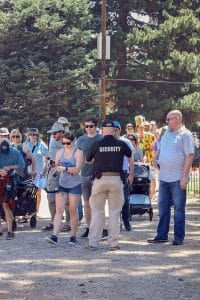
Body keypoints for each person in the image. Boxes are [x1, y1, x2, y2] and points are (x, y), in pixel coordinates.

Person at [148, 110, 195, 246]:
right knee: (162, 208)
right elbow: (160, 150)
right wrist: (155, 158)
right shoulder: (167, 134)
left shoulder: (185, 135)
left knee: (179, 209)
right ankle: (161, 235)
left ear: (177, 119)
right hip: (164, 178)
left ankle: (178, 237)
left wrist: (183, 177)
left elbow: (190, 156)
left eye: (168, 119)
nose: (166, 122)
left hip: (177, 179)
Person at [86, 119, 133, 251]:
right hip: (116, 180)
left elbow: (88, 160)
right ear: (113, 130)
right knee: (114, 213)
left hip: (100, 180)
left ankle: (93, 243)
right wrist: (131, 174)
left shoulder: (96, 144)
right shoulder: (121, 144)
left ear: (102, 130)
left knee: (97, 212)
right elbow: (130, 156)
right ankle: (113, 243)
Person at [45, 132, 84, 245]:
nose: (66, 145)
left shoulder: (78, 152)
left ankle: (73, 236)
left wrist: (64, 168)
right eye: (64, 143)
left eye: (68, 143)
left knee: (72, 210)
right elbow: (56, 167)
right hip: (61, 184)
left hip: (74, 185)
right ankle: (54, 236)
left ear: (73, 142)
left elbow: (77, 169)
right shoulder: (60, 152)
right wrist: (51, 165)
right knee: (59, 210)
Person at [76, 117, 103, 238]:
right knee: (86, 203)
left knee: (98, 203)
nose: (88, 128)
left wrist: (96, 160)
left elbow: (107, 156)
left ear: (96, 126)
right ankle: (89, 227)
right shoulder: (81, 140)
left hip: (99, 175)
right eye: (86, 126)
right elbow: (77, 155)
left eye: (91, 126)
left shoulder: (102, 139)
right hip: (85, 174)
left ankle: (102, 228)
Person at [0, 139, 25, 239]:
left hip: (10, 179)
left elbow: (22, 165)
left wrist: (10, 167)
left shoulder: (15, 151)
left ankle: (10, 231)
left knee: (6, 204)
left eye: (6, 150)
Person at [43, 123, 65, 231]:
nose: (53, 135)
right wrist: (44, 169)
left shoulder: (67, 142)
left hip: (63, 173)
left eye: (55, 133)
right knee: (51, 199)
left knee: (64, 199)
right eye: (52, 133)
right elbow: (48, 157)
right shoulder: (52, 141)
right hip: (51, 173)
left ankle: (66, 223)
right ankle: (53, 221)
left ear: (61, 132)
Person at [113, 121, 134, 231]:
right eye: (113, 129)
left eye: (116, 129)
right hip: (111, 174)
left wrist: (131, 174)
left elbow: (131, 159)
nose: (114, 131)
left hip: (124, 173)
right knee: (113, 200)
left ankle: (126, 221)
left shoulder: (126, 142)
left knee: (125, 199)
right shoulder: (108, 142)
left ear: (120, 130)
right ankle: (117, 222)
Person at [23, 128, 48, 211]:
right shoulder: (25, 144)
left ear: (37, 135)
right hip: (28, 173)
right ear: (28, 135)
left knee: (37, 192)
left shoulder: (41, 144)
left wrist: (45, 168)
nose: (32, 136)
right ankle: (28, 209)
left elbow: (47, 157)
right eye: (31, 134)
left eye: (34, 134)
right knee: (27, 192)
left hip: (38, 173)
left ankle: (36, 210)